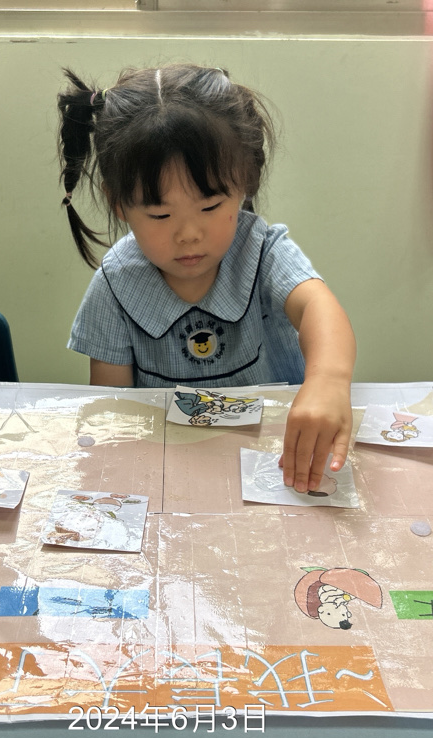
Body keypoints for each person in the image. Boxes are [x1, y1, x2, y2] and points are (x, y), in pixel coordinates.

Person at [56, 64, 356, 494]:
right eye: (160, 215)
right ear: (118, 203)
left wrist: (328, 381)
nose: (188, 234)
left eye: (211, 207)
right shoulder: (117, 286)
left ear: (245, 183)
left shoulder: (261, 250)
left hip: (276, 459)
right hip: (172, 473)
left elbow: (317, 306)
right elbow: (114, 417)